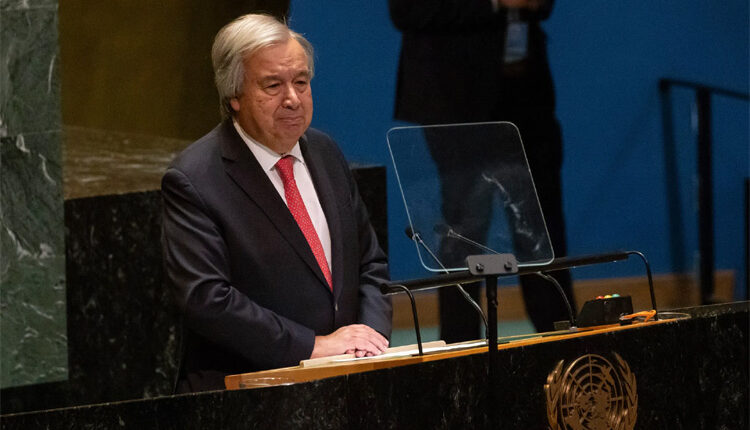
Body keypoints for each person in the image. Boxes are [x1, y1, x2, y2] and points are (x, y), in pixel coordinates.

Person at [161, 14, 392, 393]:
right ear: (234, 96)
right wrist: (312, 346)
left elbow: (370, 263)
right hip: (247, 393)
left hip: (344, 384)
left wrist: (370, 337)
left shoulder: (325, 152)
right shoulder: (195, 178)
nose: (292, 99)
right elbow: (206, 299)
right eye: (273, 85)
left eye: (301, 82)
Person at [389, 0, 574, 341]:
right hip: (456, 100)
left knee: (542, 228)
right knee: (464, 227)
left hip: (527, 95)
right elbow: (407, 10)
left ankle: (563, 346)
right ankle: (460, 351)